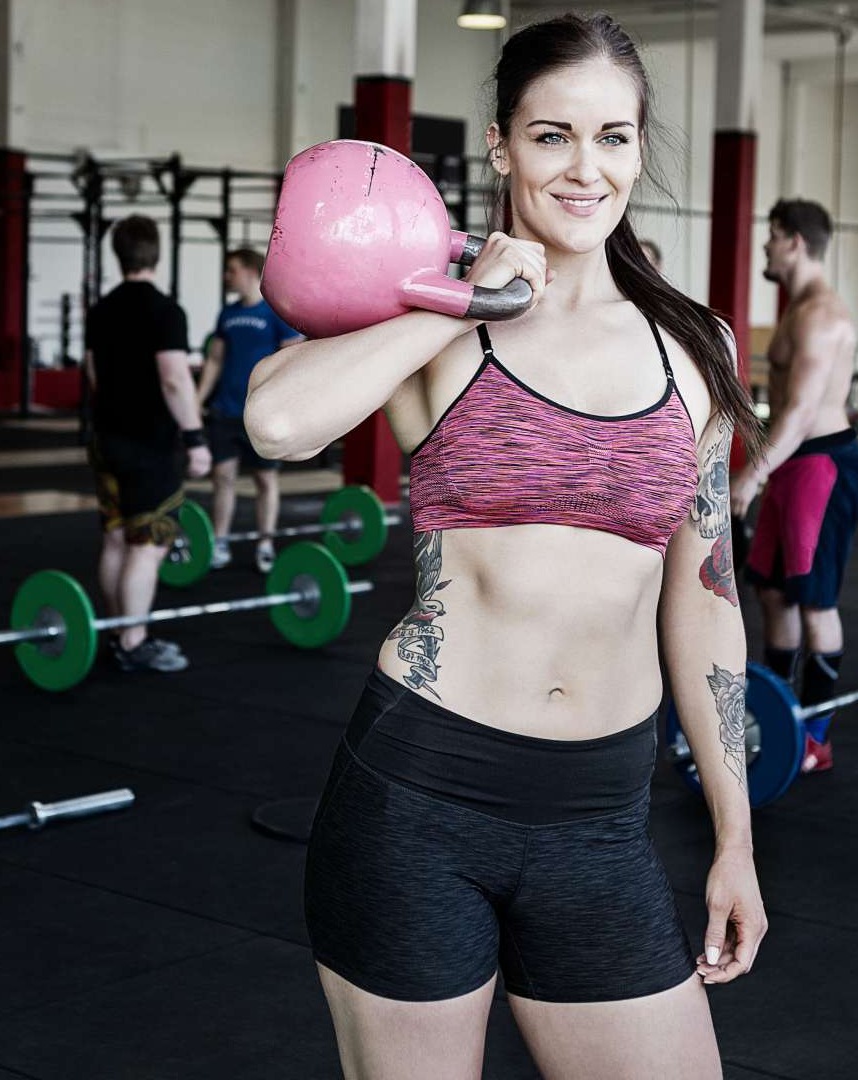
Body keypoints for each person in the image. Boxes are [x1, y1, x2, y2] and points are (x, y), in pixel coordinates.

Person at [246, 14, 766, 1079]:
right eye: (554, 136)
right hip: (417, 804)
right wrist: (468, 302)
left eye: (614, 138)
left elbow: (705, 595)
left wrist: (735, 835)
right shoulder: (441, 322)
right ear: (500, 146)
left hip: (601, 819)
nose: (588, 169)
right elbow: (276, 423)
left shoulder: (695, 346)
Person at [730, 199, 858, 776]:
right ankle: (779, 718)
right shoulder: (795, 311)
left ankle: (815, 736)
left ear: (794, 242)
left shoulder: (820, 316)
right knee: (773, 593)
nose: (764, 246)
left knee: (815, 600)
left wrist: (751, 475)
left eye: (771, 236)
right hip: (791, 462)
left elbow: (805, 411)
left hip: (820, 465)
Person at [83, 215, 212, 674]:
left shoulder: (100, 310)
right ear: (155, 253)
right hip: (150, 443)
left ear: (119, 255)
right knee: (147, 546)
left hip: (105, 438)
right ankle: (134, 642)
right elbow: (175, 379)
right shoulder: (165, 311)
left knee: (116, 539)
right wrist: (196, 440)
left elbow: (94, 373)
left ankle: (119, 632)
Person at [195, 248, 303, 573]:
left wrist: (283, 405)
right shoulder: (226, 314)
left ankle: (265, 543)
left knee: (265, 480)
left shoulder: (276, 313)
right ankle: (220, 541)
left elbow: (290, 362)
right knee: (222, 478)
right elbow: (215, 359)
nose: (227, 276)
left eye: (232, 270)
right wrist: (198, 400)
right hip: (226, 409)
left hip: (259, 413)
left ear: (250, 271)